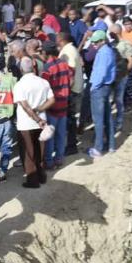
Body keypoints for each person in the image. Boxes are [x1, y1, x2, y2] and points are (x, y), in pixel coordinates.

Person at [13, 57, 53, 188]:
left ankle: (33, 180)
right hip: (42, 121)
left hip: (26, 124)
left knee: (29, 153)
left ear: (20, 69)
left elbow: (25, 106)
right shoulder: (43, 82)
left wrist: (36, 118)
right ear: (33, 67)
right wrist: (40, 111)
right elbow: (52, 100)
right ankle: (42, 176)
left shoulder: (19, 85)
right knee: (40, 151)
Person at [40, 41, 73, 169]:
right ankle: (59, 158)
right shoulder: (64, 64)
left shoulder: (47, 69)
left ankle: (49, 162)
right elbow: (70, 79)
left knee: (50, 136)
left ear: (45, 53)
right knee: (60, 134)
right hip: (64, 104)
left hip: (52, 107)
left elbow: (44, 89)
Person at [88, 30, 115, 158]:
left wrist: (94, 86)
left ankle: (98, 148)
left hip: (99, 88)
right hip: (105, 87)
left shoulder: (104, 52)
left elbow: (101, 72)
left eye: (95, 42)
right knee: (106, 117)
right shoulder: (106, 51)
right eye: (92, 42)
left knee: (98, 120)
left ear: (103, 41)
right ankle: (111, 145)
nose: (93, 45)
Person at [109, 24, 132, 149]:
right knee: (110, 100)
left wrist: (124, 73)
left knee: (119, 100)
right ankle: (109, 124)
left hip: (121, 77)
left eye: (111, 31)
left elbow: (131, 61)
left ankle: (118, 123)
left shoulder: (126, 44)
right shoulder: (111, 44)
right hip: (111, 78)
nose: (109, 33)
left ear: (116, 32)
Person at [57, 32, 84, 155]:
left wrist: (66, 90)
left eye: (57, 38)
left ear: (61, 39)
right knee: (69, 119)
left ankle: (72, 145)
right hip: (72, 89)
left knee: (70, 119)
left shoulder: (69, 51)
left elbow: (70, 72)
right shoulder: (68, 49)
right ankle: (70, 142)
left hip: (71, 90)